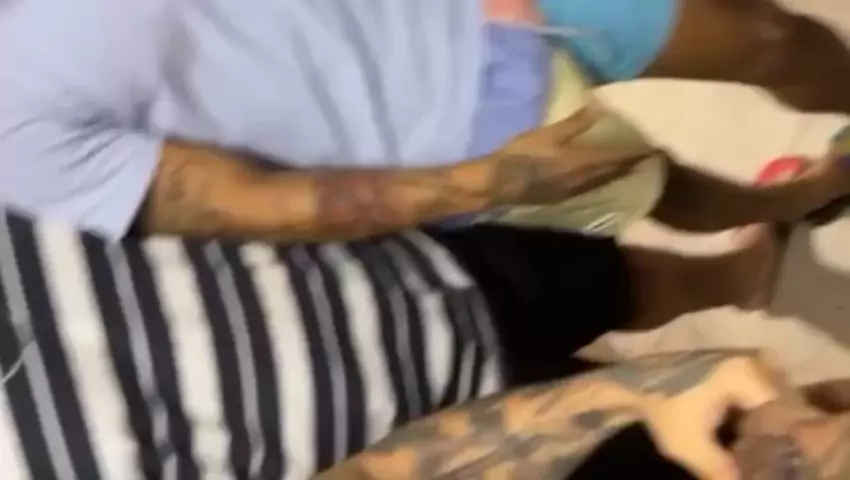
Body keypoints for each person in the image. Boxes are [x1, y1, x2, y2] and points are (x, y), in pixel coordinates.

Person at [1, 207, 848, 480]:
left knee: (614, 285)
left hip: (395, 276)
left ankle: (731, 281)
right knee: (758, 446)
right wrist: (622, 394)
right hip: (482, 455)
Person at [1, 0, 850, 243]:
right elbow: (251, 204)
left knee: (768, 37)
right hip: (466, 135)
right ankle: (798, 199)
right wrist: (481, 184)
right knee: (675, 193)